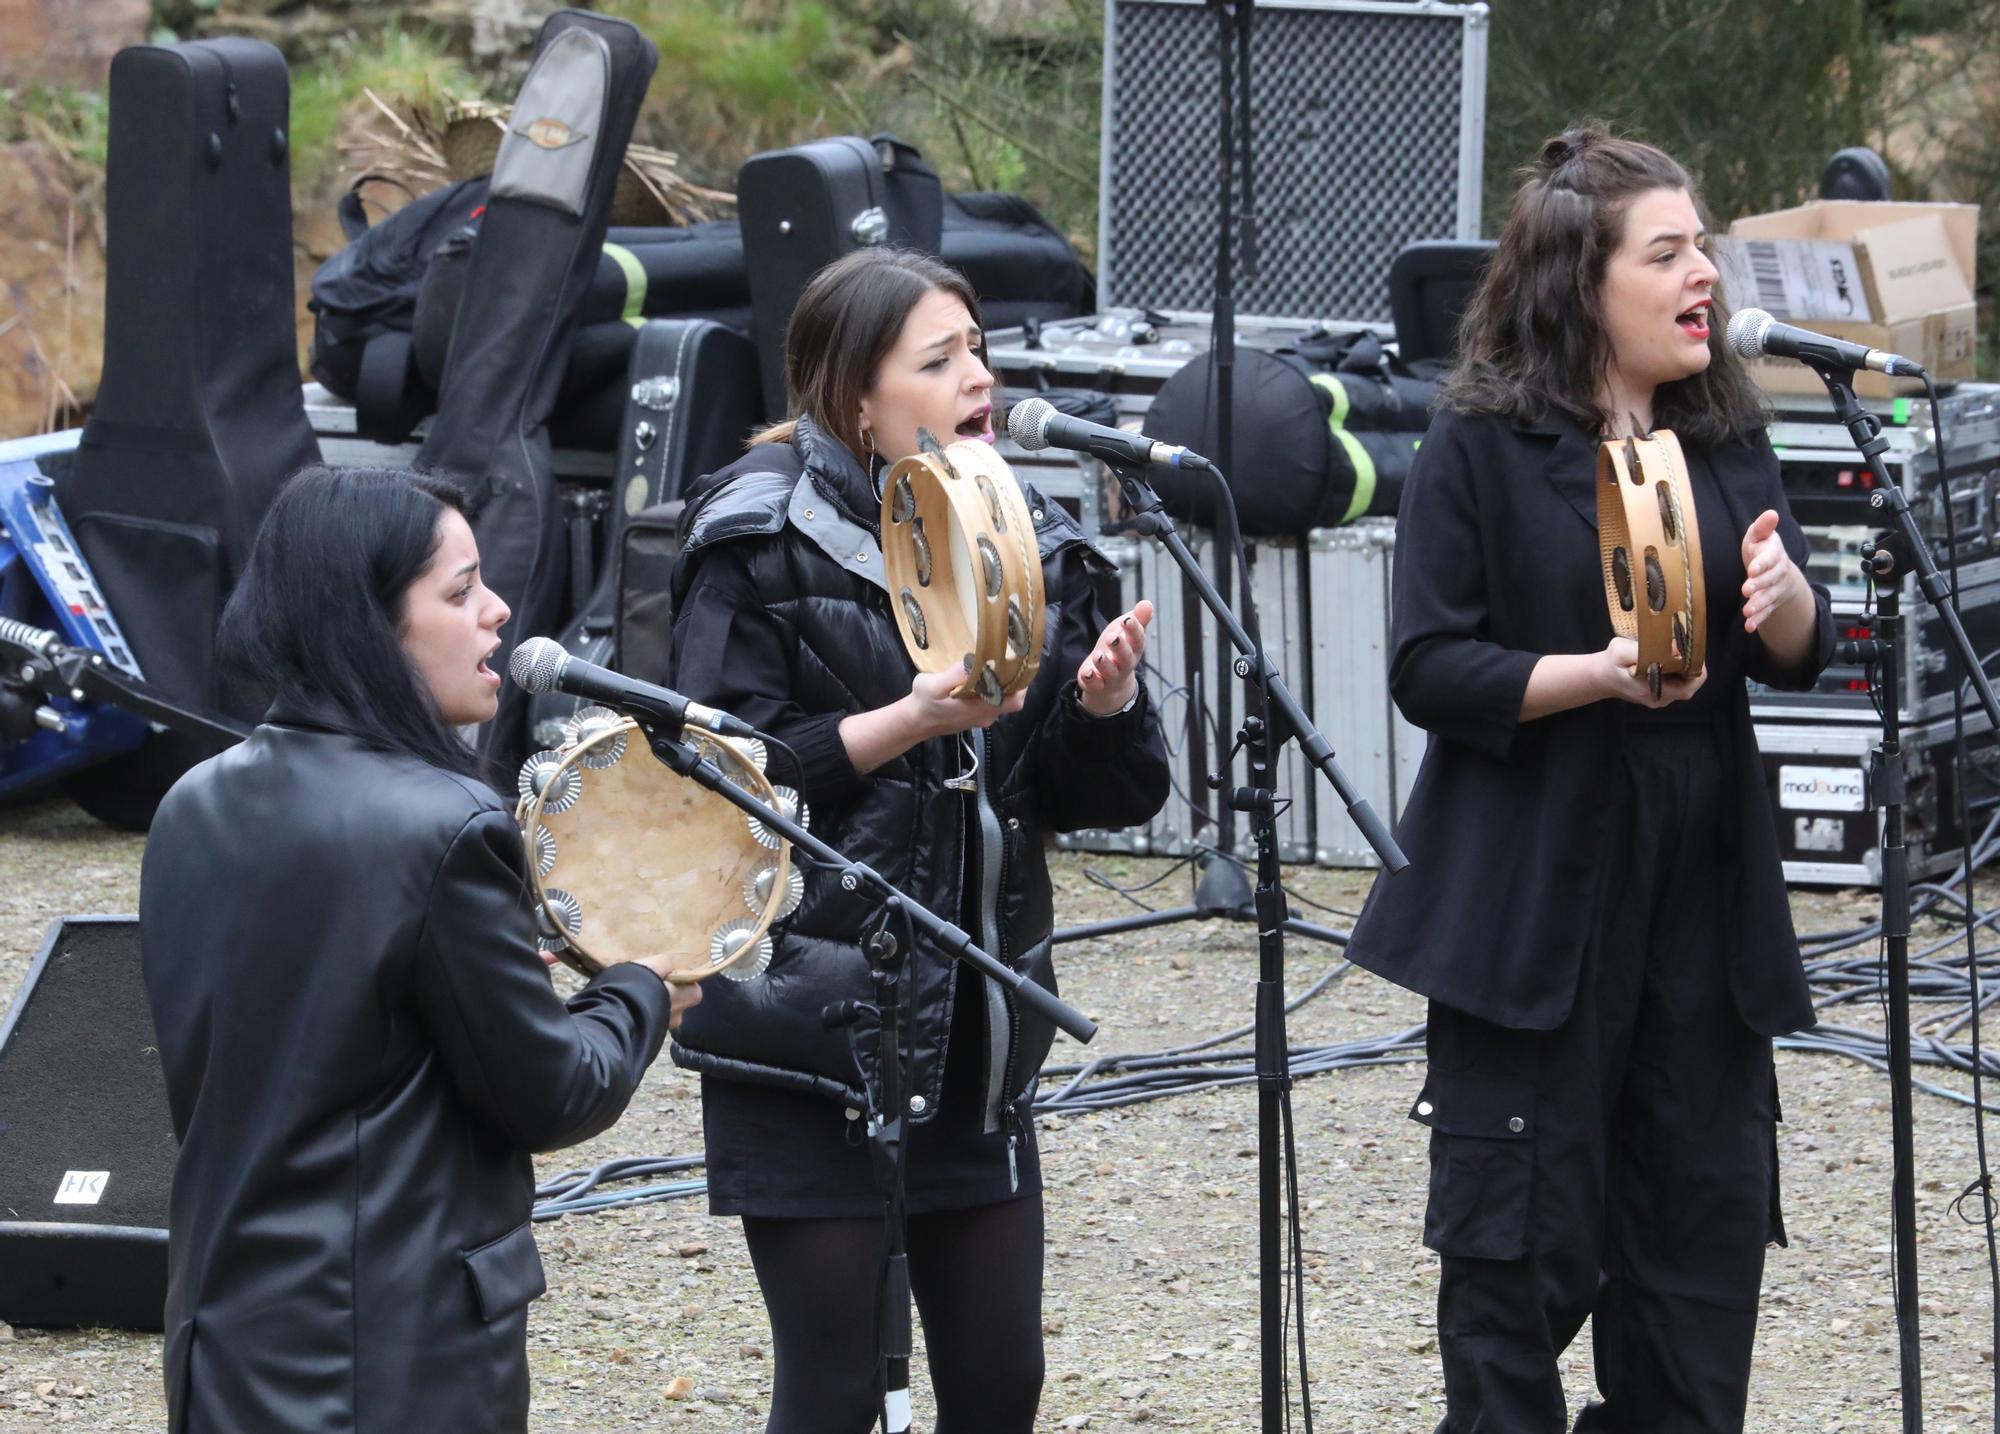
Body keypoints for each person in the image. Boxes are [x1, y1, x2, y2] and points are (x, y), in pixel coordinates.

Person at [1345, 127, 1834, 1433]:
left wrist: (1786, 602)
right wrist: (1596, 672)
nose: (1702, 281)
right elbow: (1430, 663)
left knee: (1692, 1271)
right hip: (1535, 897)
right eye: (1666, 254)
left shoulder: (1726, 430)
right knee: (1516, 1277)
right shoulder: (1482, 442)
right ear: (1581, 281)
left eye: (1703, 253)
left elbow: (1795, 650)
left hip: (1701, 896)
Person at [660, 247, 1172, 1432]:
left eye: (978, 348)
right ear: (855, 396)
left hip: (975, 1038)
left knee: (1001, 1386)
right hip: (808, 1026)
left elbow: (1106, 793)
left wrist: (1101, 707)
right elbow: (722, 782)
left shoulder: (1030, 533)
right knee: (835, 1389)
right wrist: (911, 718)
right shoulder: (753, 536)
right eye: (938, 359)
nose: (976, 375)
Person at [139, 467, 700, 1433]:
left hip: (224, 1332)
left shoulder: (191, 804)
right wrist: (639, 991)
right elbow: (552, 1091)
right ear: (366, 622)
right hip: (388, 1353)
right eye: (458, 590)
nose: (498, 611)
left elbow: (319, 1042)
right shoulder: (447, 825)